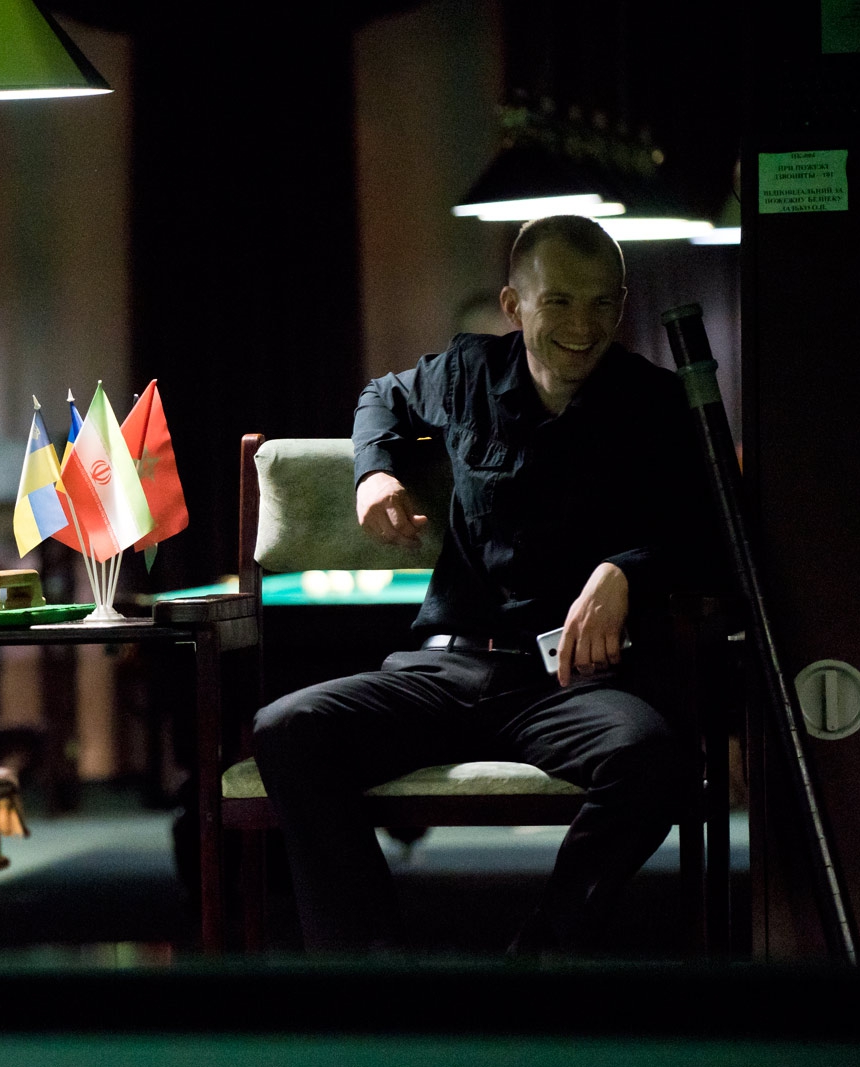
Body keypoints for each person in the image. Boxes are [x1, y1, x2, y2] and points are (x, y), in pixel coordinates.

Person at [252, 215, 710, 955]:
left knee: (654, 757)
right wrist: (374, 474)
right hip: (450, 669)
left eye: (602, 302)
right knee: (287, 729)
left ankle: (540, 959)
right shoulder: (470, 371)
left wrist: (626, 568)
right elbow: (381, 396)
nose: (583, 325)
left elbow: (702, 531)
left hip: (573, 684)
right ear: (513, 305)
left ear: (623, 305)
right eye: (559, 301)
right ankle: (369, 969)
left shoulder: (655, 403)